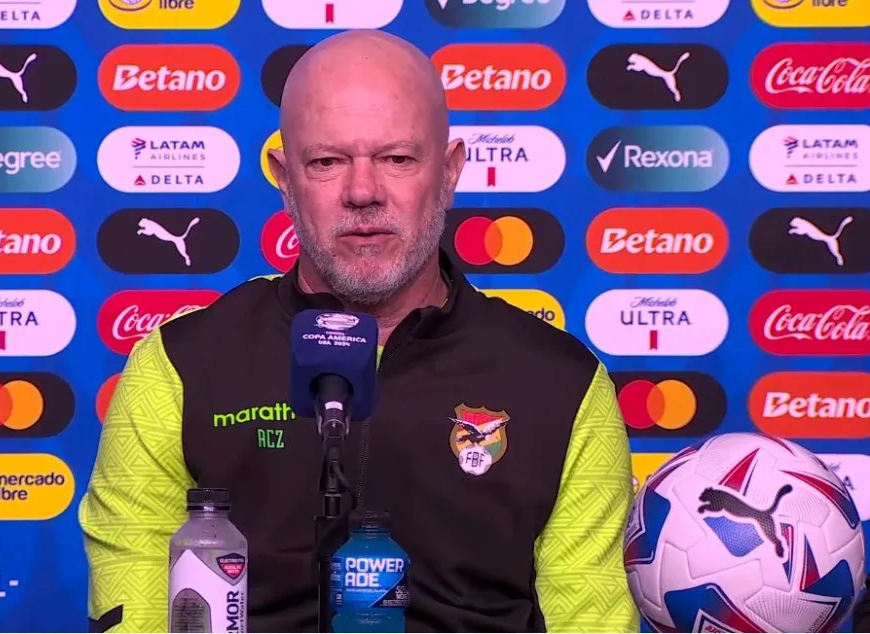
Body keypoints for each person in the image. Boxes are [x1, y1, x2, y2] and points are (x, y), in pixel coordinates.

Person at [79, 29, 638, 633]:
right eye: (327, 161)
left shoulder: (562, 386)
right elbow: (133, 612)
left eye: (398, 159)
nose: (363, 192)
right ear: (284, 178)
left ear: (449, 172)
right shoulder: (180, 368)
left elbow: (592, 619)